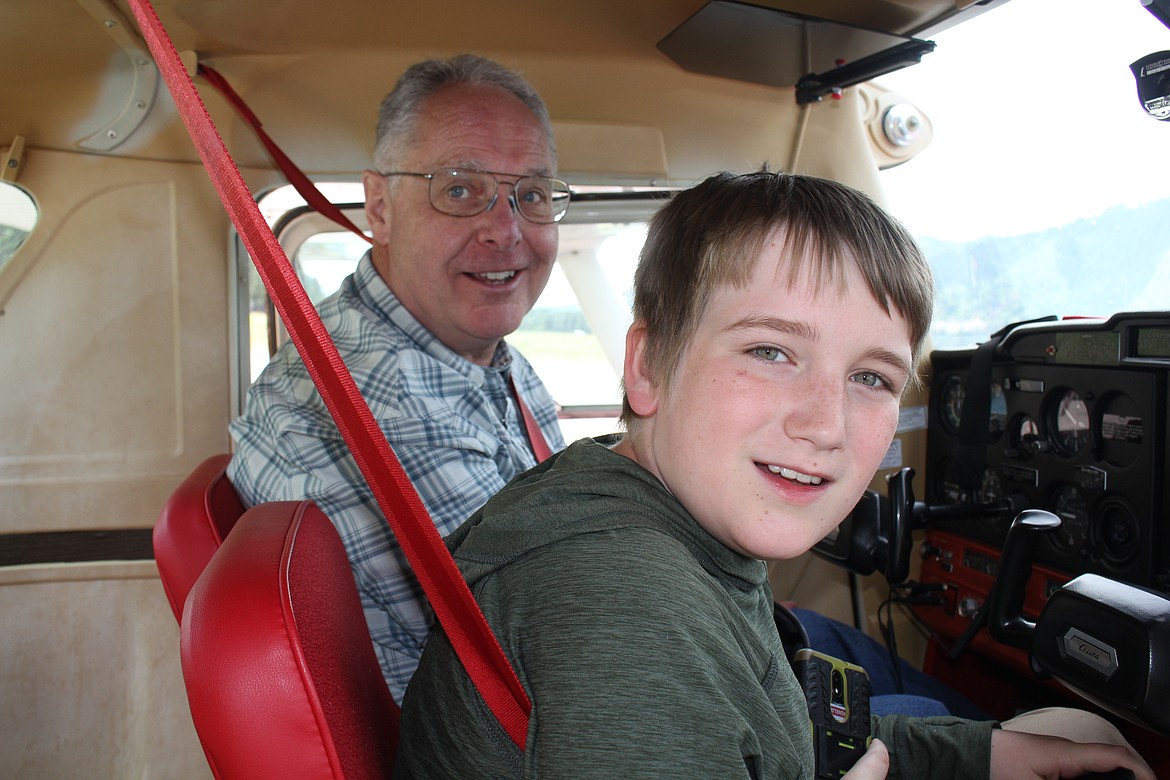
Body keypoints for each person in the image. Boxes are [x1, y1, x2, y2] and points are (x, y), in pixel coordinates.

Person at [393, 171, 1154, 779]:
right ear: (648, 365)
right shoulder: (623, 597)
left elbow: (779, 728)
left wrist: (987, 756)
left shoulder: (649, 520)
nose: (825, 424)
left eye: (872, 378)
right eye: (771, 352)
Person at [227, 54, 567, 702]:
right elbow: (569, 655)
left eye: (532, 194)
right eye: (460, 190)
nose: (506, 229)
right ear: (379, 206)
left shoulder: (468, 351)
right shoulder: (389, 397)